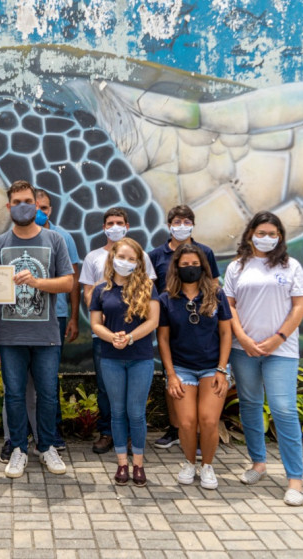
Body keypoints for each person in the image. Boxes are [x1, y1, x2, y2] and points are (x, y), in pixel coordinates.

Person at [0, 180, 74, 478]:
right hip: (10, 335)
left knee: (48, 395)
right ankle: (19, 449)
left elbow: (68, 282)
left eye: (28, 201)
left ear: (36, 206)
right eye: (17, 201)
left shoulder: (54, 240)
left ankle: (46, 446)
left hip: (46, 334)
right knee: (14, 395)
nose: (23, 205)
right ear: (9, 207)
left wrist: (37, 282)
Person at [223, 211, 303, 506]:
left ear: (281, 237)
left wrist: (278, 338)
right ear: (250, 235)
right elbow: (229, 307)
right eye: (262, 232)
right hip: (243, 349)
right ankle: (258, 463)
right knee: (249, 404)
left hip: (281, 351)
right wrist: (243, 339)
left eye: (274, 233)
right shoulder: (237, 267)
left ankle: (294, 479)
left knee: (284, 409)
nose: (268, 238)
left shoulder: (291, 266)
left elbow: (299, 306)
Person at [79, 207, 156, 454]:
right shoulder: (93, 258)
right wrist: (107, 329)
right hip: (103, 334)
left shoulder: (141, 255)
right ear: (103, 227)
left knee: (134, 400)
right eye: (110, 222)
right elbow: (89, 292)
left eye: (119, 222)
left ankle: (134, 438)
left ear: (127, 225)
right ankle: (108, 433)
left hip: (137, 339)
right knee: (105, 388)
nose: (114, 226)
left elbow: (148, 293)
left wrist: (129, 333)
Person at [157, 243, 231, 490]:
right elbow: (163, 339)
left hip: (212, 368)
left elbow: (226, 333)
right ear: (176, 267)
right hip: (181, 369)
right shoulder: (167, 299)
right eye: (185, 264)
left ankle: (207, 466)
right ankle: (189, 462)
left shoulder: (216, 295)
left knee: (209, 421)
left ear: (203, 267)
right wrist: (171, 375)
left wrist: (221, 369)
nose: (190, 268)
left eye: (195, 264)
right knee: (187, 422)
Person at [148, 205, 220, 450]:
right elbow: (150, 288)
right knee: (173, 376)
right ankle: (175, 428)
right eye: (177, 221)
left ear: (193, 224)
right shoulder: (155, 255)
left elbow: (214, 284)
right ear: (169, 225)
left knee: (200, 380)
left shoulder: (205, 252)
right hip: (167, 320)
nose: (182, 225)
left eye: (187, 221)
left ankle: (198, 432)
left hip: (200, 321)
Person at [89, 238, 159, 487]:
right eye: (123, 257)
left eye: (132, 259)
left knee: (136, 413)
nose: (126, 263)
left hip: (140, 358)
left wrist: (129, 338)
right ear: (112, 257)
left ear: (139, 263)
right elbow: (95, 323)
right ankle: (121, 464)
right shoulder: (100, 290)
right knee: (117, 412)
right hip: (111, 358)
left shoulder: (148, 287)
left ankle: (138, 465)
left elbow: (153, 322)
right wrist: (112, 338)